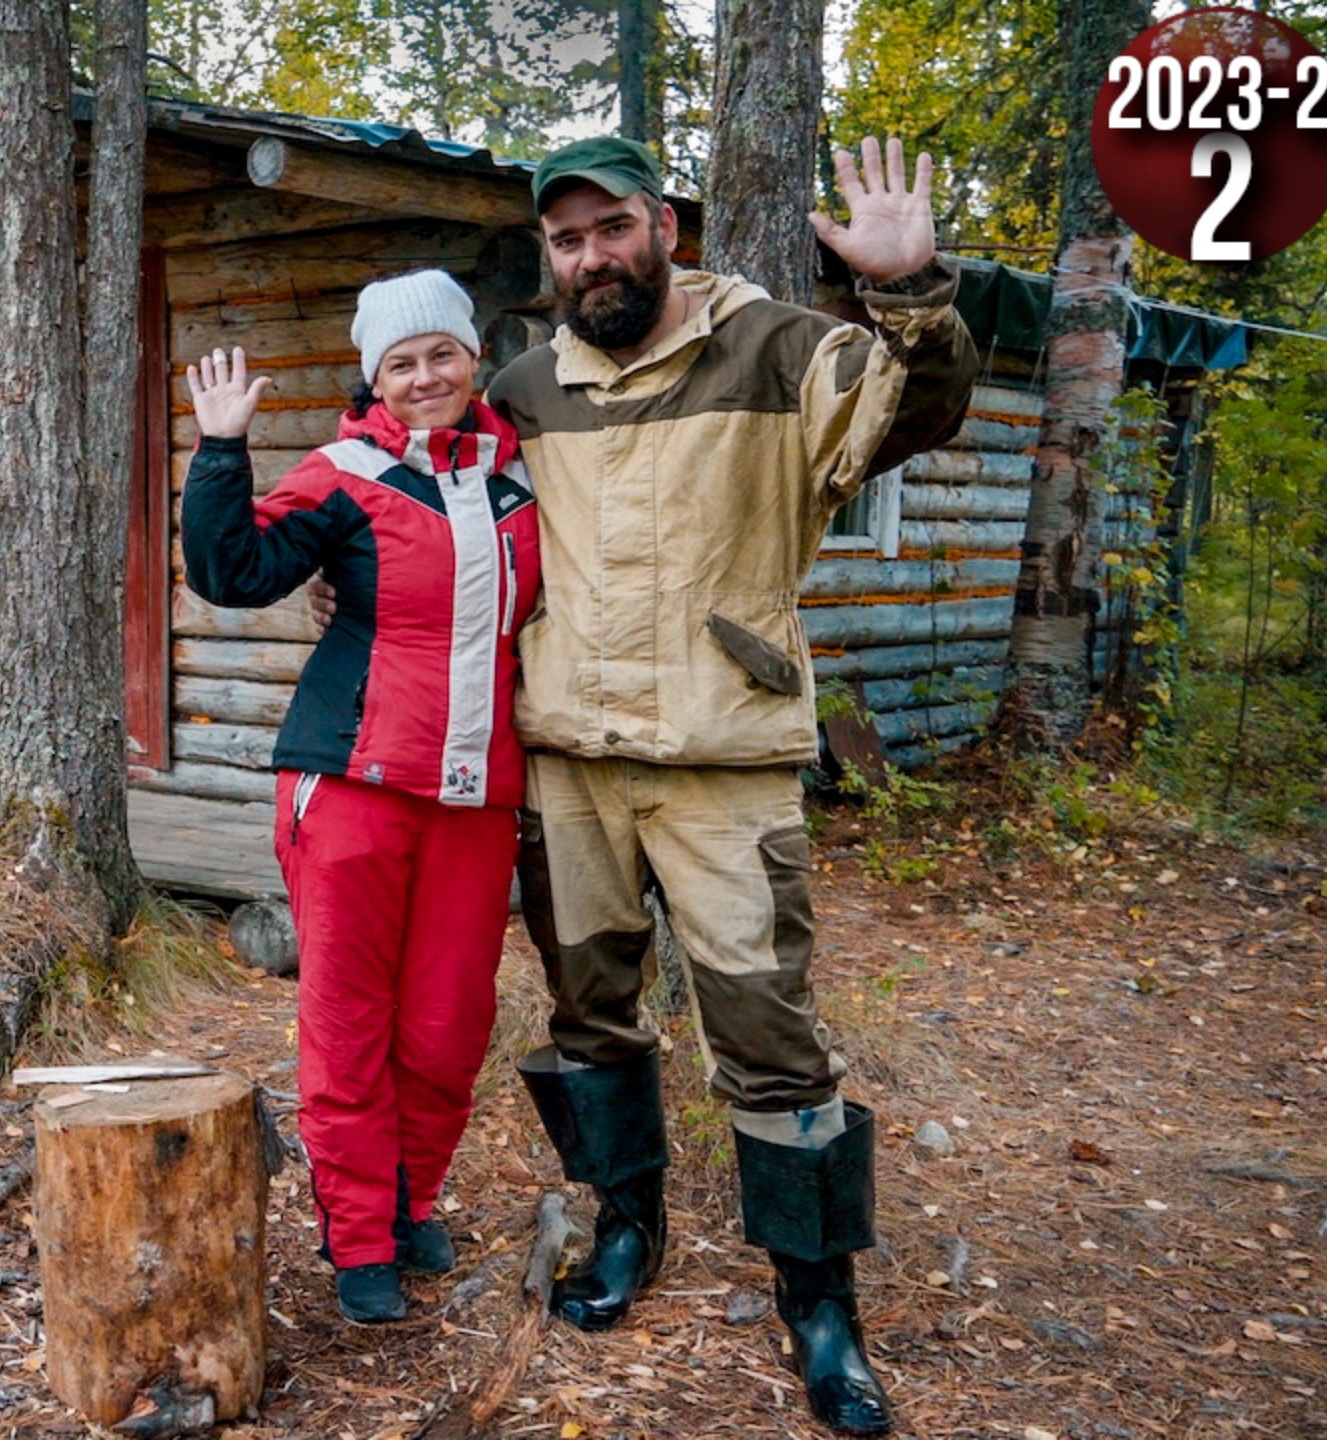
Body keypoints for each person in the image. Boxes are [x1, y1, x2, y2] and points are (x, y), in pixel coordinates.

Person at [317, 137, 975, 1430]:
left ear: (663, 224)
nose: (591, 256)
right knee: (592, 1016)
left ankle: (818, 1297)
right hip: (567, 763)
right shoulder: (520, 385)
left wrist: (912, 296)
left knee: (770, 1039)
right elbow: (411, 471)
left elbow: (921, 407)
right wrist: (348, 569)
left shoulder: (775, 350)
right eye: (566, 240)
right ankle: (630, 1225)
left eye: (612, 228)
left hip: (724, 761)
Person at [180, 270, 541, 1326]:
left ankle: (411, 1198)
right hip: (350, 783)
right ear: (372, 377)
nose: (424, 376)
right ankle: (357, 1239)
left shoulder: (524, 484)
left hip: (475, 796)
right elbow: (231, 570)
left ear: (473, 358)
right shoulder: (343, 473)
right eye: (400, 362)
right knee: (347, 1023)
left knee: (446, 1025)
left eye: (440, 353)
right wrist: (218, 449)